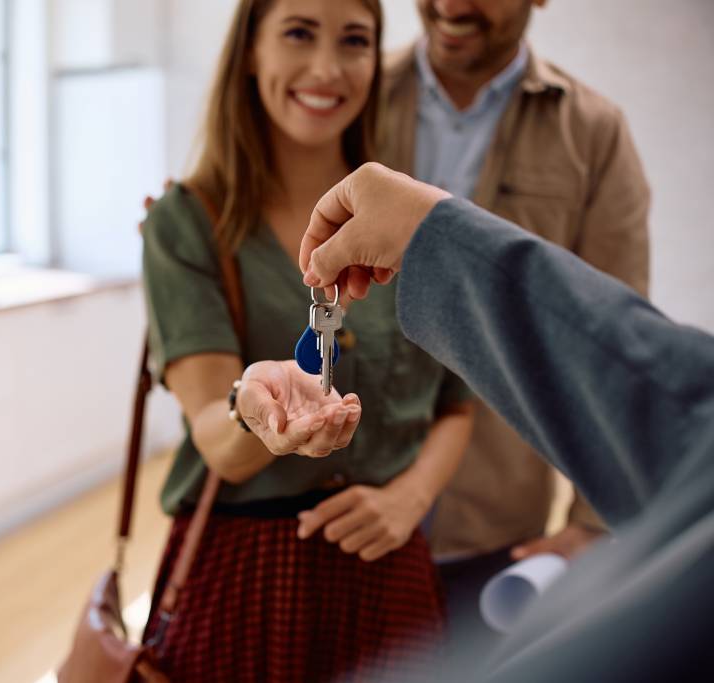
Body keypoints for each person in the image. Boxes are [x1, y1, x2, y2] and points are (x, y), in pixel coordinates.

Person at [234, 161, 714, 682]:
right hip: (284, 564)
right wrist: (244, 402)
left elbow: (663, 396)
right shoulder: (203, 215)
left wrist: (588, 527)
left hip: (481, 532)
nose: (328, 75)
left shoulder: (589, 132)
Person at [138, 1, 475, 680]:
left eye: (354, 41)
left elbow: (457, 403)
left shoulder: (417, 219)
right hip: (247, 580)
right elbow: (216, 440)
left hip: (391, 567)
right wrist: (252, 409)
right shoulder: (186, 222)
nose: (327, 68)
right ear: (252, 53)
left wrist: (412, 497)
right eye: (298, 32)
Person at [375, 0, 652, 649]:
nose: (450, 5)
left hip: (495, 526)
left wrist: (591, 520)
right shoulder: (351, 94)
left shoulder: (592, 131)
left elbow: (615, 335)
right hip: (349, 504)